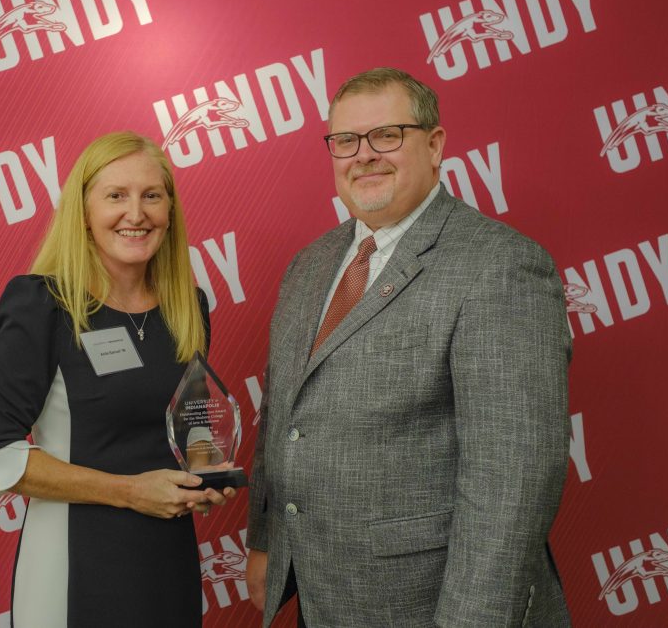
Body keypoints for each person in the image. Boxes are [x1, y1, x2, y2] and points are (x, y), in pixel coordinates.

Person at [245, 68, 572, 627]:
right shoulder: (311, 266)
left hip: (430, 605)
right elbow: (283, 414)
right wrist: (266, 538)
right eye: (346, 141)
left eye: (387, 135)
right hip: (323, 595)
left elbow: (512, 479)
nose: (364, 155)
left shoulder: (499, 265)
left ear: (435, 144)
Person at [0, 131, 236, 627]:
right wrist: (131, 492)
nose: (136, 214)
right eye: (116, 196)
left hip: (167, 557)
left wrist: (208, 472)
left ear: (170, 211)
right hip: (73, 562)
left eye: (152, 195)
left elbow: (190, 427)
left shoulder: (188, 307)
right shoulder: (42, 305)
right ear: (83, 211)